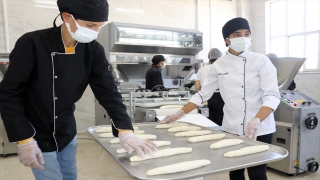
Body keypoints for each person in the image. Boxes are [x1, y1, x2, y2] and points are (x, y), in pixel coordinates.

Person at [0, 0, 157, 179]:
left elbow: (108, 92)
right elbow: (8, 93)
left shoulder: (93, 50)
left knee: (70, 176)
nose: (95, 31)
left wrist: (125, 130)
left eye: (99, 26)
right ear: (67, 17)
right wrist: (24, 139)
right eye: (90, 25)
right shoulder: (32, 43)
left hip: (67, 130)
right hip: (36, 132)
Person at [161, 17, 280, 180]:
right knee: (235, 169)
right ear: (227, 40)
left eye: (247, 34)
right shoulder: (218, 65)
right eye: (237, 34)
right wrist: (178, 114)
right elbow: (203, 94)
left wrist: (256, 120)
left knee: (257, 172)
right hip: (232, 125)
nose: (243, 38)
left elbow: (272, 95)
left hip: (261, 126)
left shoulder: (261, 61)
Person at [195, 48, 225, 126]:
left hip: (205, 98)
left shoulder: (201, 69)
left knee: (208, 121)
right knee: (220, 121)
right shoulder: (222, 68)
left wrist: (206, 88)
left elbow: (197, 87)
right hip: (219, 98)